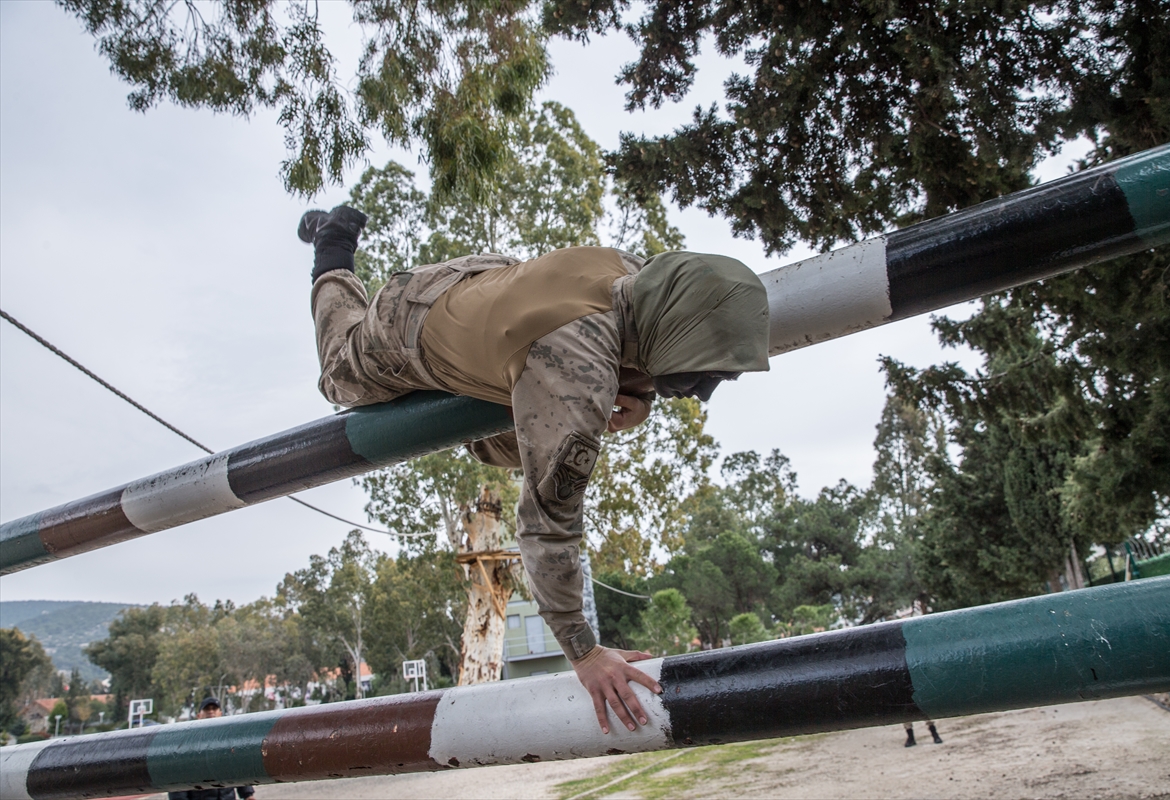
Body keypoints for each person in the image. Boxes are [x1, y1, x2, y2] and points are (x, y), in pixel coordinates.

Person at [299, 205, 770, 735]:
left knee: (505, 440)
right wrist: (583, 651)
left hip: (486, 283)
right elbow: (547, 524)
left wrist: (641, 390)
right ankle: (331, 247)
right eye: (698, 373)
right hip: (406, 322)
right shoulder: (576, 364)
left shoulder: (644, 276)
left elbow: (627, 340)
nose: (700, 392)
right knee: (340, 374)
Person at [167, 698, 255, 800]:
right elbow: (180, 776)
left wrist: (248, 794)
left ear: (220, 713)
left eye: (214, 708)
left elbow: (237, 769)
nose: (211, 711)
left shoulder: (228, 742)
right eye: (206, 709)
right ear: (198, 715)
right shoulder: (188, 745)